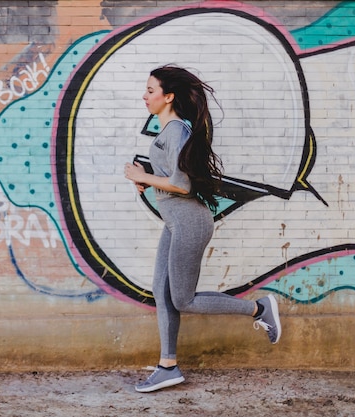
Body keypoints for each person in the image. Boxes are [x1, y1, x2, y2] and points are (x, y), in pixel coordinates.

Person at [124, 65, 281, 393]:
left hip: (189, 223)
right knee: (162, 290)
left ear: (168, 97)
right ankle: (168, 366)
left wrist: (144, 178)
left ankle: (259, 308)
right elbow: (173, 176)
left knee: (182, 299)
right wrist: (147, 177)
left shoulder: (176, 130)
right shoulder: (169, 132)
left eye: (150, 90)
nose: (144, 95)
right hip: (176, 222)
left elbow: (181, 185)